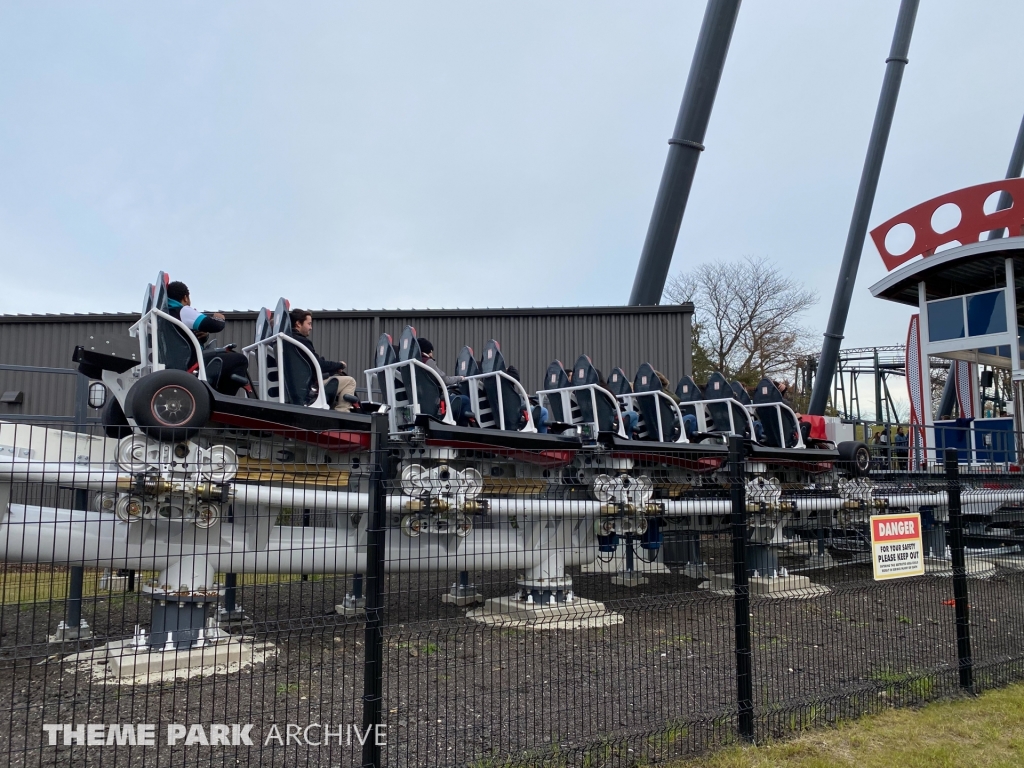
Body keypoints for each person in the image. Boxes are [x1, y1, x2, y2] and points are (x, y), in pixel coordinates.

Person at [166, 281, 250, 396]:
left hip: (179, 364)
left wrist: (204, 337)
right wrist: (219, 318)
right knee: (239, 360)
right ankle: (225, 400)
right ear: (185, 298)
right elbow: (215, 325)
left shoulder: (165, 315)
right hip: (192, 365)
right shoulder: (183, 310)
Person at [286, 309, 358, 412]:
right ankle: (342, 414)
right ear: (298, 324)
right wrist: (339, 365)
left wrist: (333, 370)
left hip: (298, 387)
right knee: (349, 381)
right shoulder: (301, 341)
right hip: (308, 390)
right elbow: (319, 365)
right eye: (309, 324)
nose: (311, 327)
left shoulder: (288, 342)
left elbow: (312, 366)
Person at [418, 338, 475, 427]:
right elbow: (445, 380)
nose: (432, 355)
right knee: (465, 400)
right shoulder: (427, 362)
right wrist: (460, 378)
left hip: (421, 404)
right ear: (427, 351)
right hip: (434, 404)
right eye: (431, 352)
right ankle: (463, 431)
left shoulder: (413, 364)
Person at [507, 366, 549, 434]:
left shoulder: (493, 383)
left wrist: (522, 397)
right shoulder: (506, 388)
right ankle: (544, 439)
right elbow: (514, 404)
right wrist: (524, 400)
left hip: (508, 414)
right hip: (516, 415)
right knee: (544, 412)